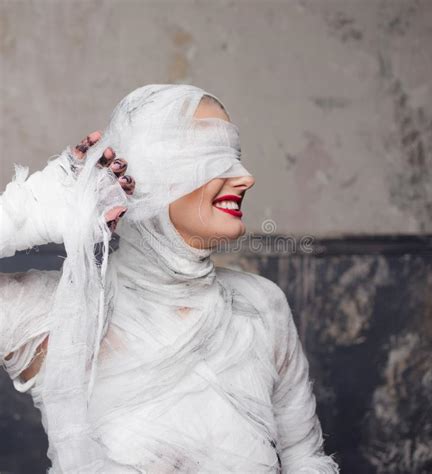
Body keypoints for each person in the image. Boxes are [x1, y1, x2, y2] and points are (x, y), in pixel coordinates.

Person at [0, 84, 339, 473]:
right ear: (149, 177)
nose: (245, 177)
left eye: (237, 157)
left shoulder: (260, 308)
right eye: (213, 159)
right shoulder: (56, 314)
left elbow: (304, 457)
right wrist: (31, 210)